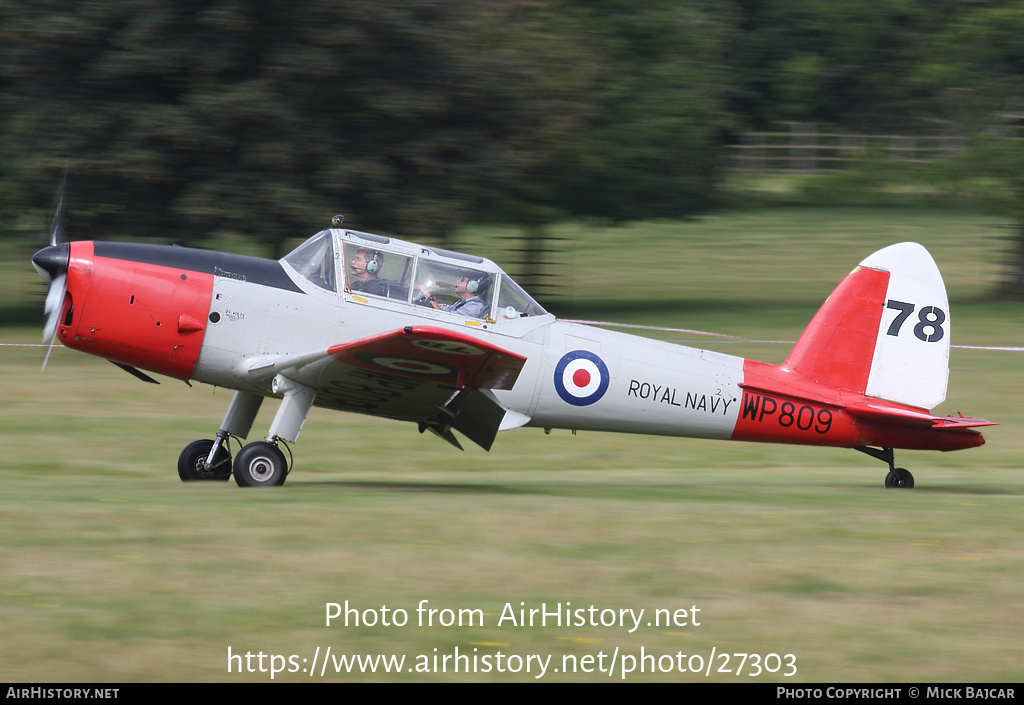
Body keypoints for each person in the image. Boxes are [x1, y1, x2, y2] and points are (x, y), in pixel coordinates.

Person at [417, 270, 491, 319]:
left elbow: (446, 319)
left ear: (472, 285)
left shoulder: (474, 308)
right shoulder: (464, 302)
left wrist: (427, 295)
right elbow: (447, 310)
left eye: (462, 279)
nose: (458, 281)